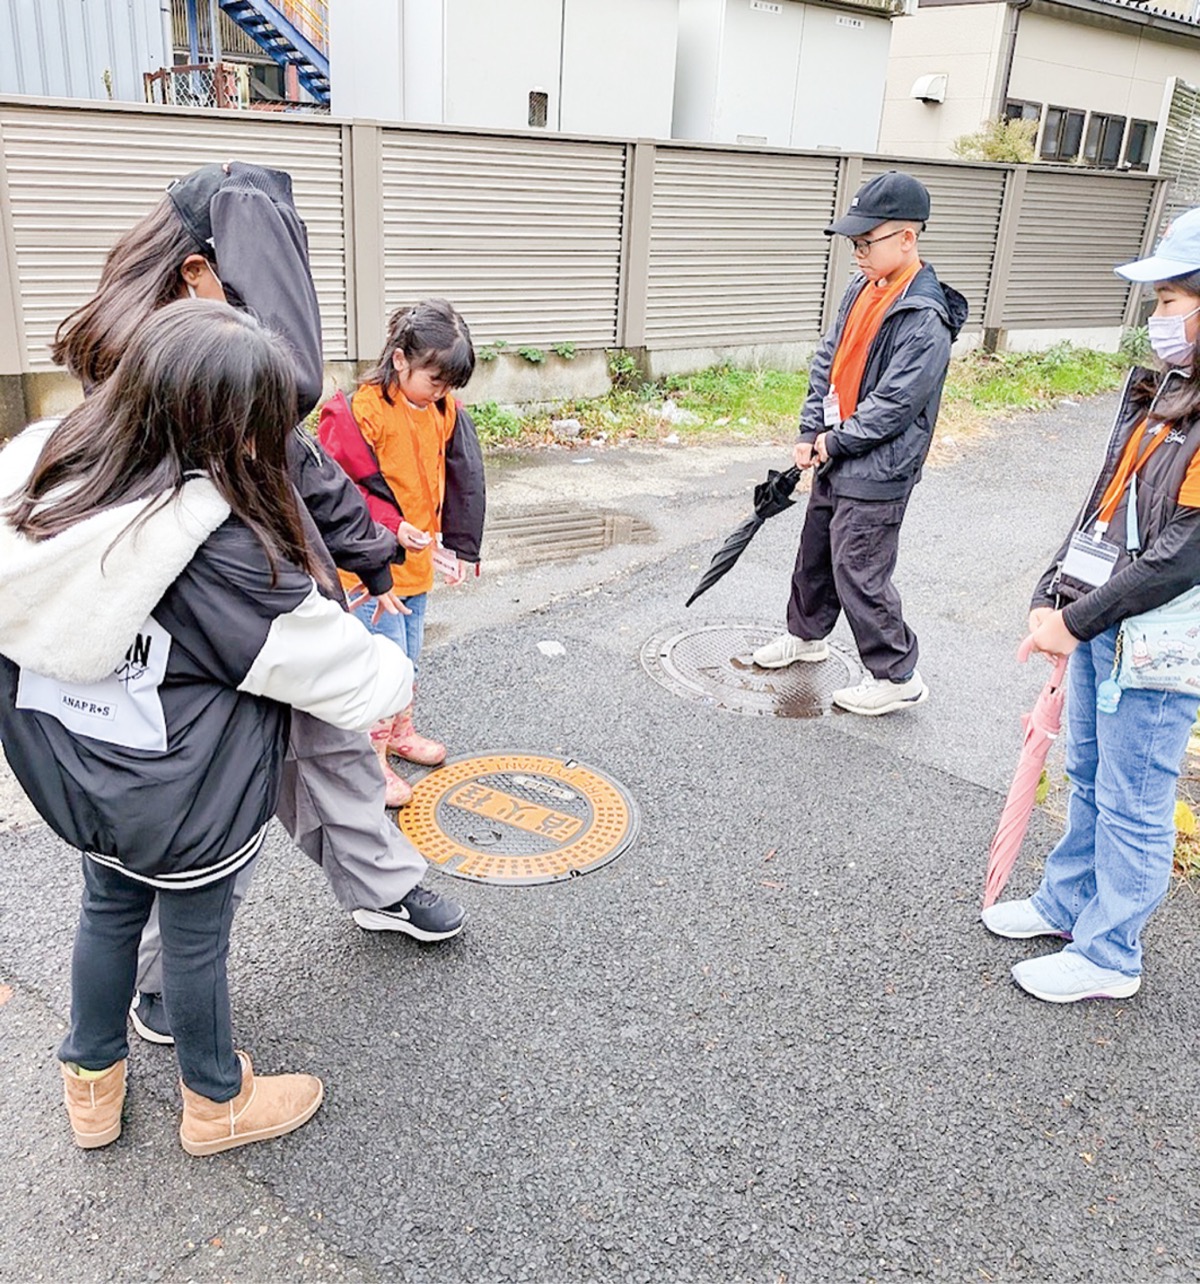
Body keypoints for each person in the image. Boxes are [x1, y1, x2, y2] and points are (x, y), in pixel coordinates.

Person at [48, 163, 466, 1046]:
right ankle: (168, 997)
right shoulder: (143, 351)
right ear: (200, 269)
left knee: (334, 752)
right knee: (210, 810)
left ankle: (381, 888)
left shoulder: (223, 346)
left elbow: (293, 453)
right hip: (197, 617)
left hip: (272, 586)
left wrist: (366, 553)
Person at [0, 302, 414, 1152]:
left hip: (78, 771)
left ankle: (91, 1089)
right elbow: (337, 670)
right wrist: (396, 677)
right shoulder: (210, 541)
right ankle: (217, 1101)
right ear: (230, 429)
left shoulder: (45, 476)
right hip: (186, 791)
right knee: (195, 940)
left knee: (107, 910)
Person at [982, 209, 1200, 1003]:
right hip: (1105, 622)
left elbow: (1184, 552)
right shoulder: (1168, 388)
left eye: (1172, 300)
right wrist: (1054, 592)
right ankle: (1068, 903)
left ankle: (1112, 956)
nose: (1158, 318)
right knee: (1088, 772)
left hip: (1152, 641)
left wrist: (1074, 620)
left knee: (1135, 799)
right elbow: (1106, 506)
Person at [753, 171, 967, 715]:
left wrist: (833, 441)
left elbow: (895, 404)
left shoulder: (925, 316)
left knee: (860, 569)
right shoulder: (863, 288)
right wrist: (809, 432)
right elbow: (828, 360)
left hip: (879, 466)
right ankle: (806, 638)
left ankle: (897, 674)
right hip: (837, 451)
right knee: (816, 554)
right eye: (855, 243)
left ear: (908, 238)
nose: (858, 253)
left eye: (866, 242)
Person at [319, 299, 481, 804]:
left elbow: (457, 478)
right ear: (399, 360)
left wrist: (455, 546)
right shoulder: (358, 412)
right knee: (383, 666)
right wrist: (391, 529)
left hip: (413, 567)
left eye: (450, 384)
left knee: (408, 660)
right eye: (435, 378)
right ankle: (373, 762)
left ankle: (401, 735)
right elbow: (340, 493)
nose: (443, 392)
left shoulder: (441, 409)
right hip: (370, 571)